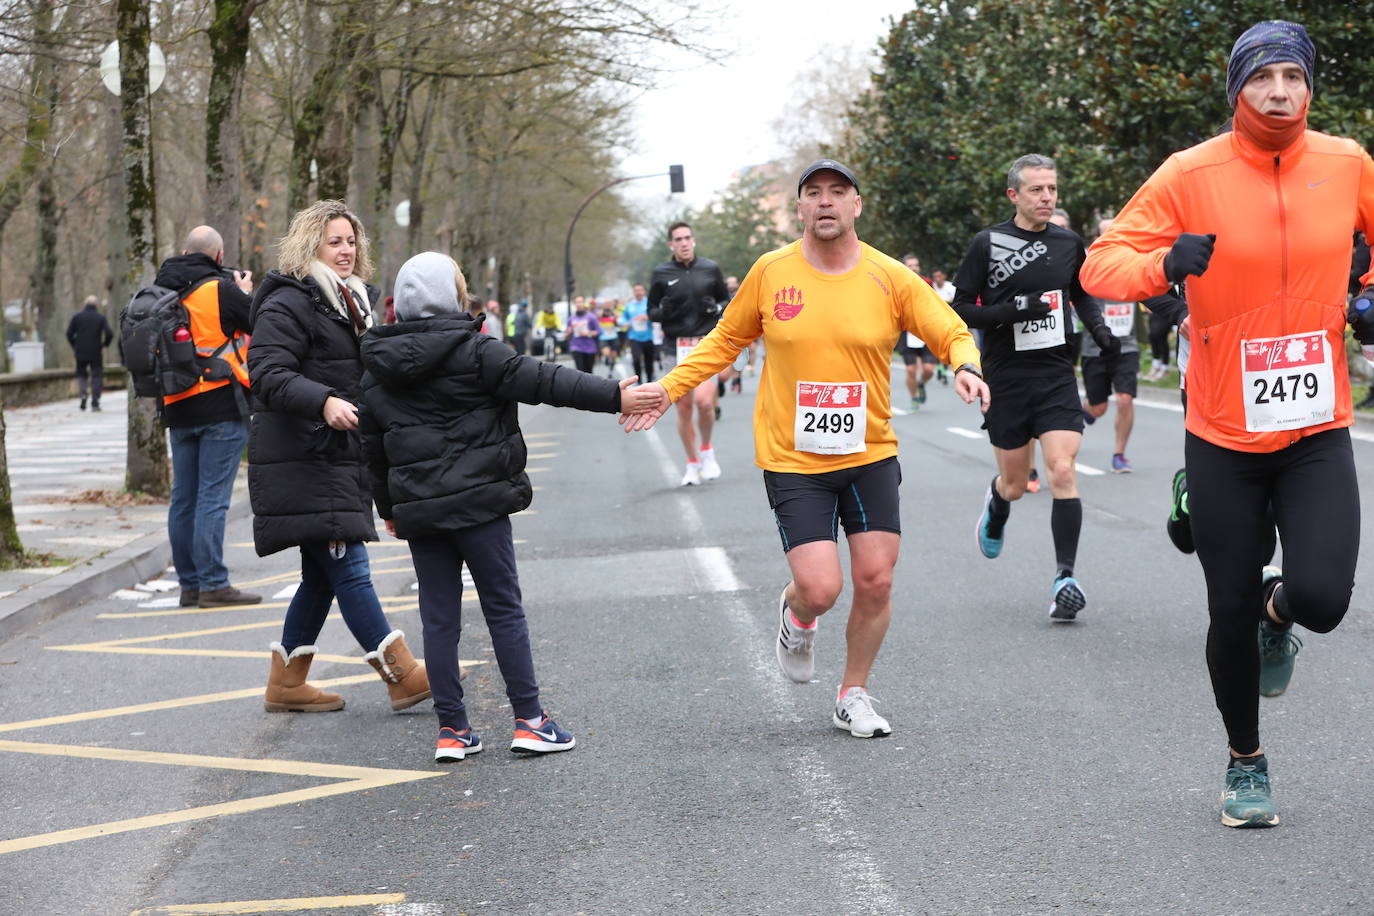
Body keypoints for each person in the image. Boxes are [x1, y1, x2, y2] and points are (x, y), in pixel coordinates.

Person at [1081, 20, 1373, 828]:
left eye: (1293, 77)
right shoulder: (1189, 172)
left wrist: (1368, 295)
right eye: (1262, 78)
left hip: (1315, 426)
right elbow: (1100, 263)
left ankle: (1280, 617)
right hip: (1220, 432)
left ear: (1310, 86)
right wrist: (1164, 265)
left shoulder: (1347, 163)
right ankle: (1246, 761)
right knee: (1225, 606)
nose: (1279, 92)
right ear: (1237, 89)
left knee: (1321, 597)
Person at [621, 159, 988, 738]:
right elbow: (724, 341)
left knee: (876, 580)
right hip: (794, 459)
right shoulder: (772, 272)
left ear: (856, 206)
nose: (825, 202)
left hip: (868, 450)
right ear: (799, 209)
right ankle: (797, 614)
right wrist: (669, 389)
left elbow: (946, 325)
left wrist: (965, 364)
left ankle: (853, 694)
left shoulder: (888, 275)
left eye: (837, 193)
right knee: (821, 587)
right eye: (813, 193)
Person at [358, 252, 658, 761]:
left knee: (439, 618)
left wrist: (388, 507)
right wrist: (615, 397)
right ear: (452, 295)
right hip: (483, 504)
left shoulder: (377, 368)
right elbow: (545, 381)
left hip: (422, 512)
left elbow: (372, 451)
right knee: (502, 609)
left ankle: (452, 730)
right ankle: (529, 720)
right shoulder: (477, 350)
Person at [248, 199, 430, 714]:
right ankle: (402, 674)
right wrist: (323, 402)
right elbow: (265, 372)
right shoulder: (290, 302)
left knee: (319, 573)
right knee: (348, 565)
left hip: (334, 453)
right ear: (311, 245)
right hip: (307, 454)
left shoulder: (348, 302)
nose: (346, 250)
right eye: (335, 241)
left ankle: (286, 684)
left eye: (351, 241)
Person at [953, 153, 1119, 622]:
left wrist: (1099, 331)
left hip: (1054, 374)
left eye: (1052, 189)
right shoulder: (989, 244)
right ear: (1014, 195)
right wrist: (1013, 309)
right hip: (1005, 376)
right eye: (1036, 190)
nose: (1046, 197)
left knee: (1062, 470)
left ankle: (1065, 577)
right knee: (1015, 483)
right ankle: (997, 502)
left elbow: (1082, 293)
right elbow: (962, 308)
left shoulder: (1069, 243)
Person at [153, 226, 262, 609]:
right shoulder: (220, 289)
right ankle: (213, 583)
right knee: (213, 499)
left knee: (183, 498)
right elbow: (258, 324)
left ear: (185, 252)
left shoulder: (162, 290)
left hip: (176, 404)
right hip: (220, 403)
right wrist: (245, 293)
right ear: (218, 257)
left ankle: (190, 585)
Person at [647, 221, 730, 486]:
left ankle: (707, 449)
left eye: (687, 238)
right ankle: (692, 462)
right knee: (683, 408)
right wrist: (664, 312)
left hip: (705, 344)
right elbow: (651, 312)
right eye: (678, 239)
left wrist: (715, 308)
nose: (683, 243)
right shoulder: (661, 273)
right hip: (675, 347)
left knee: (705, 403)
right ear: (671, 245)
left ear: (693, 240)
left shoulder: (710, 268)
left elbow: (728, 302)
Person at [1079, 218, 1141, 473]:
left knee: (1125, 398)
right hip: (1095, 346)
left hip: (1126, 345)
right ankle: (1082, 412)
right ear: (1097, 239)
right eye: (1107, 233)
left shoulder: (1134, 259)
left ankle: (1119, 454)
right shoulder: (1086, 265)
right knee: (1099, 407)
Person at [899, 253, 937, 408]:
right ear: (904, 268)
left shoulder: (927, 282)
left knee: (928, 370)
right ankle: (914, 398)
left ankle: (921, 384)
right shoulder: (897, 283)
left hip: (924, 330)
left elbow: (934, 303)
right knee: (910, 370)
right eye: (910, 265)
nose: (914, 268)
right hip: (906, 331)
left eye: (916, 265)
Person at [66, 295, 112, 412]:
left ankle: (83, 394)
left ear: (85, 304)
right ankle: (95, 402)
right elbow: (109, 333)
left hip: (80, 351)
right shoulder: (100, 318)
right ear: (96, 305)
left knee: (82, 374)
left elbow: (69, 334)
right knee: (96, 375)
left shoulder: (77, 317)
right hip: (95, 351)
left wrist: (74, 345)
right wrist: (105, 344)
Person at [622, 283, 656, 382]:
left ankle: (649, 380)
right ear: (634, 292)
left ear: (644, 291)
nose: (638, 293)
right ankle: (639, 380)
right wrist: (626, 323)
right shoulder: (629, 306)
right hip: (634, 337)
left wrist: (648, 318)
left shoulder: (650, 304)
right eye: (636, 291)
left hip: (648, 337)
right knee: (636, 359)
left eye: (640, 290)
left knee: (648, 361)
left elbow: (656, 316)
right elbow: (623, 318)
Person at [565, 296, 599, 373]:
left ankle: (589, 385)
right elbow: (566, 335)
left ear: (584, 303)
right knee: (580, 372)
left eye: (581, 302)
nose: (579, 304)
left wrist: (588, 333)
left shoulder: (591, 317)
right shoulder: (571, 318)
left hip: (590, 348)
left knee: (589, 372)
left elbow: (598, 331)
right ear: (574, 304)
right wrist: (568, 332)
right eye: (577, 302)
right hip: (576, 347)